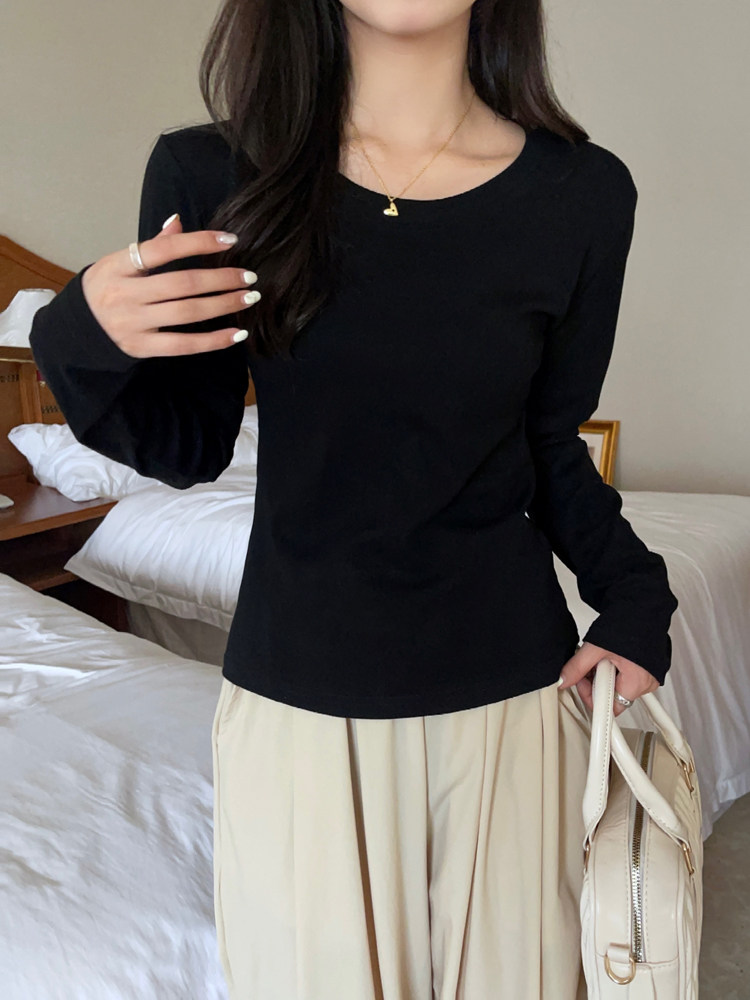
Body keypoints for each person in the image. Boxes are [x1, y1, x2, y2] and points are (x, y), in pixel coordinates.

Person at [28, 1, 680, 997]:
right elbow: (187, 449)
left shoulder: (583, 192)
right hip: (295, 703)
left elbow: (548, 445)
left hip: (513, 698)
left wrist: (636, 598)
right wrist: (75, 331)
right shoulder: (212, 175)